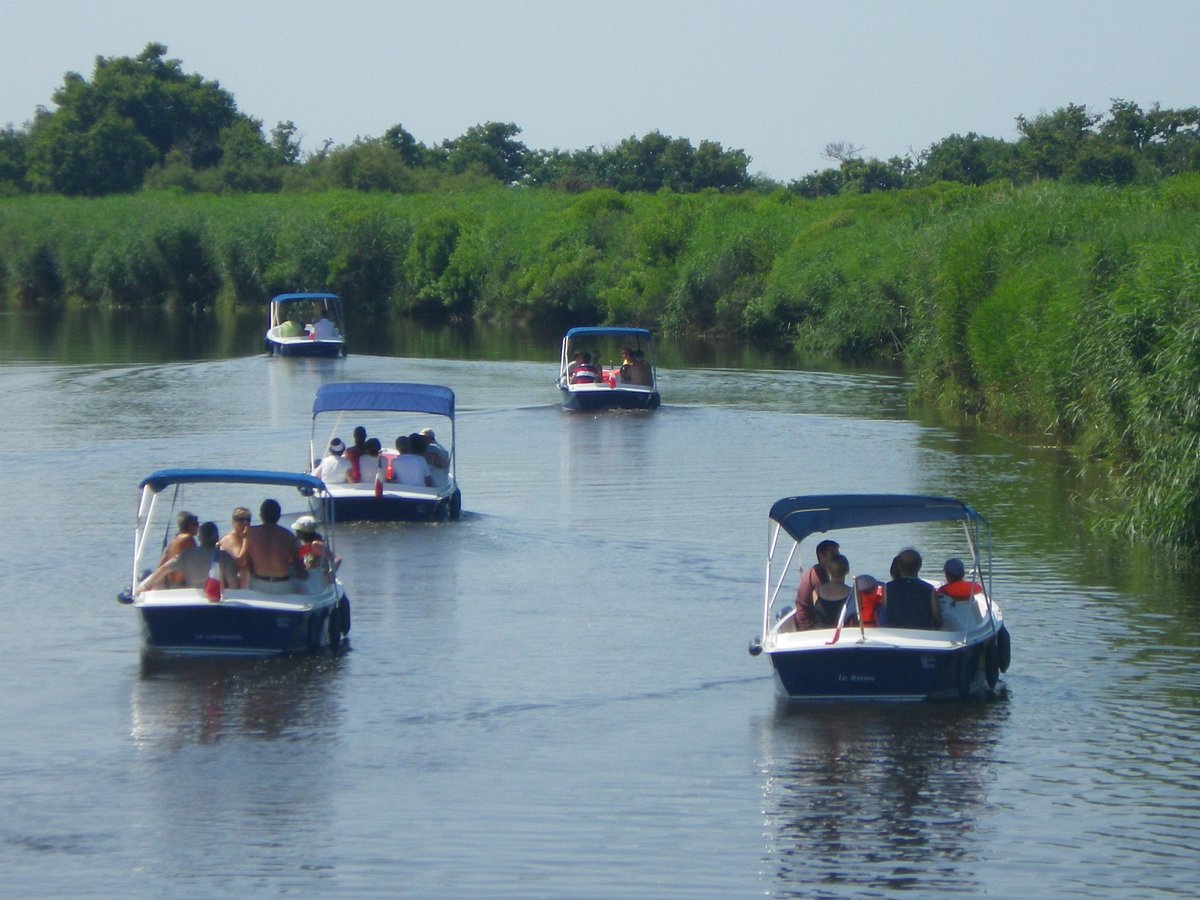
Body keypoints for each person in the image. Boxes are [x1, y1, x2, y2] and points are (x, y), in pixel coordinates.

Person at [139, 521, 239, 593]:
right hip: (215, 598)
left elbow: (165, 568)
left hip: (192, 595)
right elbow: (233, 585)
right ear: (217, 538)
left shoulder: (187, 554)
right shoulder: (224, 557)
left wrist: (147, 586)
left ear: (199, 538)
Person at [237, 499, 307, 594]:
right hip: (283, 585)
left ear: (261, 515)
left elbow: (244, 561)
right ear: (278, 516)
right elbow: (299, 567)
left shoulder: (251, 533)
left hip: (259, 584)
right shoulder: (288, 536)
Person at [883, 547, 942, 629]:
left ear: (898, 566)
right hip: (923, 633)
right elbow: (937, 619)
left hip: (895, 632)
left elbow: (885, 613)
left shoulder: (887, 588)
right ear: (919, 566)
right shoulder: (929, 589)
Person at [790, 539, 839, 630]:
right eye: (833, 554)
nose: (837, 558)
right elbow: (827, 607)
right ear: (821, 556)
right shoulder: (818, 578)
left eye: (838, 554)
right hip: (808, 626)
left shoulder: (820, 571)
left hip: (812, 620)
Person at [293, 515, 341, 584]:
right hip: (312, 579)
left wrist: (330, 575)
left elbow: (337, 559)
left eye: (297, 531)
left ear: (300, 533)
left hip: (321, 580)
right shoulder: (306, 546)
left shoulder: (316, 544)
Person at [811, 553, 854, 627]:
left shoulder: (817, 592)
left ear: (828, 571)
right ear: (847, 571)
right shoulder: (852, 593)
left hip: (818, 634)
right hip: (842, 634)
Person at [217, 507, 252, 582]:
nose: (245, 523)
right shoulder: (229, 539)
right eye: (241, 519)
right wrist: (246, 538)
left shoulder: (245, 537)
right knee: (244, 570)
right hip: (229, 580)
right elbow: (241, 561)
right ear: (233, 522)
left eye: (248, 520)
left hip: (237, 578)